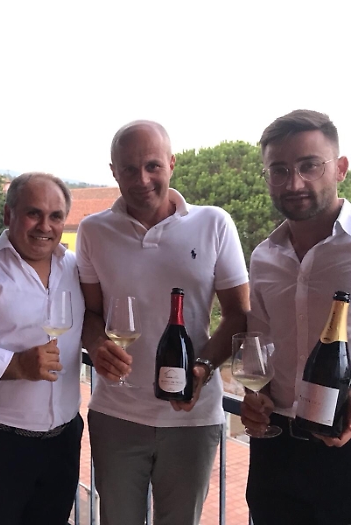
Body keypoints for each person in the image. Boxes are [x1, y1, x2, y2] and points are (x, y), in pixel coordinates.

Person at [76, 120, 249, 525]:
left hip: (192, 415)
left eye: (153, 165)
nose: (142, 179)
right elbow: (90, 314)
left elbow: (239, 315)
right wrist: (97, 345)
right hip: (116, 413)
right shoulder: (93, 230)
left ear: (171, 163)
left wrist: (203, 368)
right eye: (129, 168)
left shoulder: (214, 223)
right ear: (114, 171)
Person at [0, 172, 85, 525]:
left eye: (55, 216)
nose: (45, 226)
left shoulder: (75, 268)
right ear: (8, 214)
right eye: (33, 213)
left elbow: (95, 321)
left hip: (64, 440)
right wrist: (16, 365)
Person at [243, 110, 351, 524]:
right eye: (280, 170)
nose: (294, 183)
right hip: (276, 449)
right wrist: (254, 394)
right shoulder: (264, 257)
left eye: (309, 166)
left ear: (340, 168)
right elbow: (259, 342)